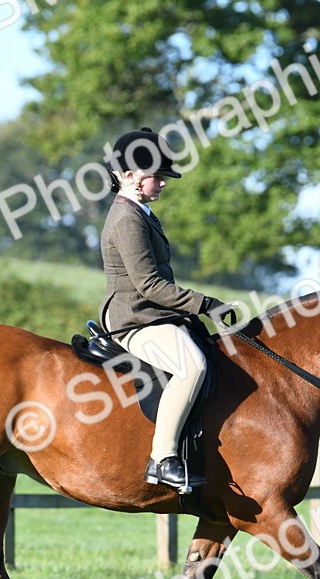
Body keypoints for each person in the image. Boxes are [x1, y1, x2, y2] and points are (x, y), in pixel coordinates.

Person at [98, 127, 232, 490]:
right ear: (128, 176)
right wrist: (205, 304)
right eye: (155, 177)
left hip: (152, 313)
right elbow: (150, 285)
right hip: (135, 318)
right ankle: (163, 458)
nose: (162, 183)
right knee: (192, 366)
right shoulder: (127, 219)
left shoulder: (140, 212)